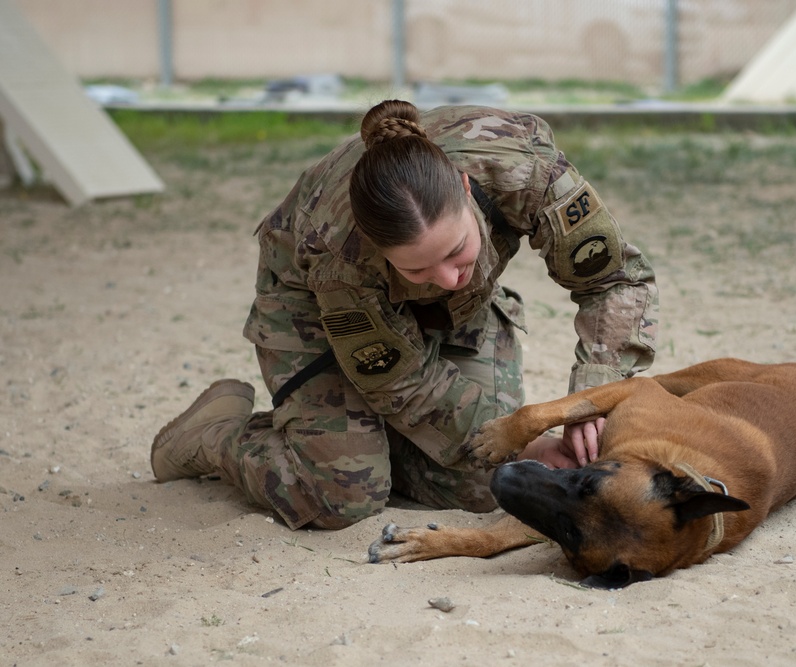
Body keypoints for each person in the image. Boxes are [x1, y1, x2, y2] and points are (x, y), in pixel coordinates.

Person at [150, 100, 657, 530]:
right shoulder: (339, 255)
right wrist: (519, 441)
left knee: (487, 486)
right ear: (378, 248)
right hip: (310, 309)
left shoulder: (522, 167)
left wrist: (590, 395)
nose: (449, 278)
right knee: (343, 493)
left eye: (457, 252)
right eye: (419, 268)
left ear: (463, 185)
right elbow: (401, 381)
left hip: (454, 316)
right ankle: (215, 434)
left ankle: (359, 435)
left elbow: (615, 279)